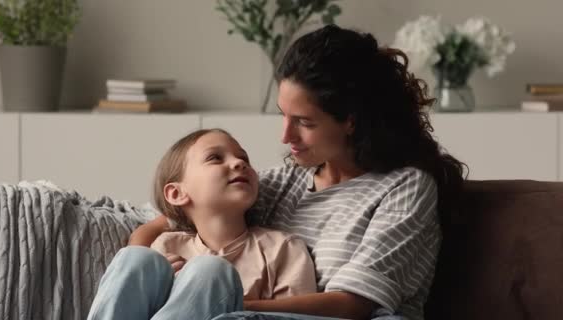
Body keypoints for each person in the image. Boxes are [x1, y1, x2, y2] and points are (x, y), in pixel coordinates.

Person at [128, 24, 466, 320]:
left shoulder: (405, 187)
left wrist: (225, 304)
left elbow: (353, 306)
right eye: (283, 116)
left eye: (304, 122)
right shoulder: (283, 183)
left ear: (351, 120)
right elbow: (167, 219)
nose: (285, 137)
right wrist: (148, 262)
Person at [87, 128, 317, 320]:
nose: (238, 162)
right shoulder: (166, 246)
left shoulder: (283, 248)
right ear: (177, 193)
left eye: (244, 158)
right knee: (136, 257)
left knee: (212, 270)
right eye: (215, 158)